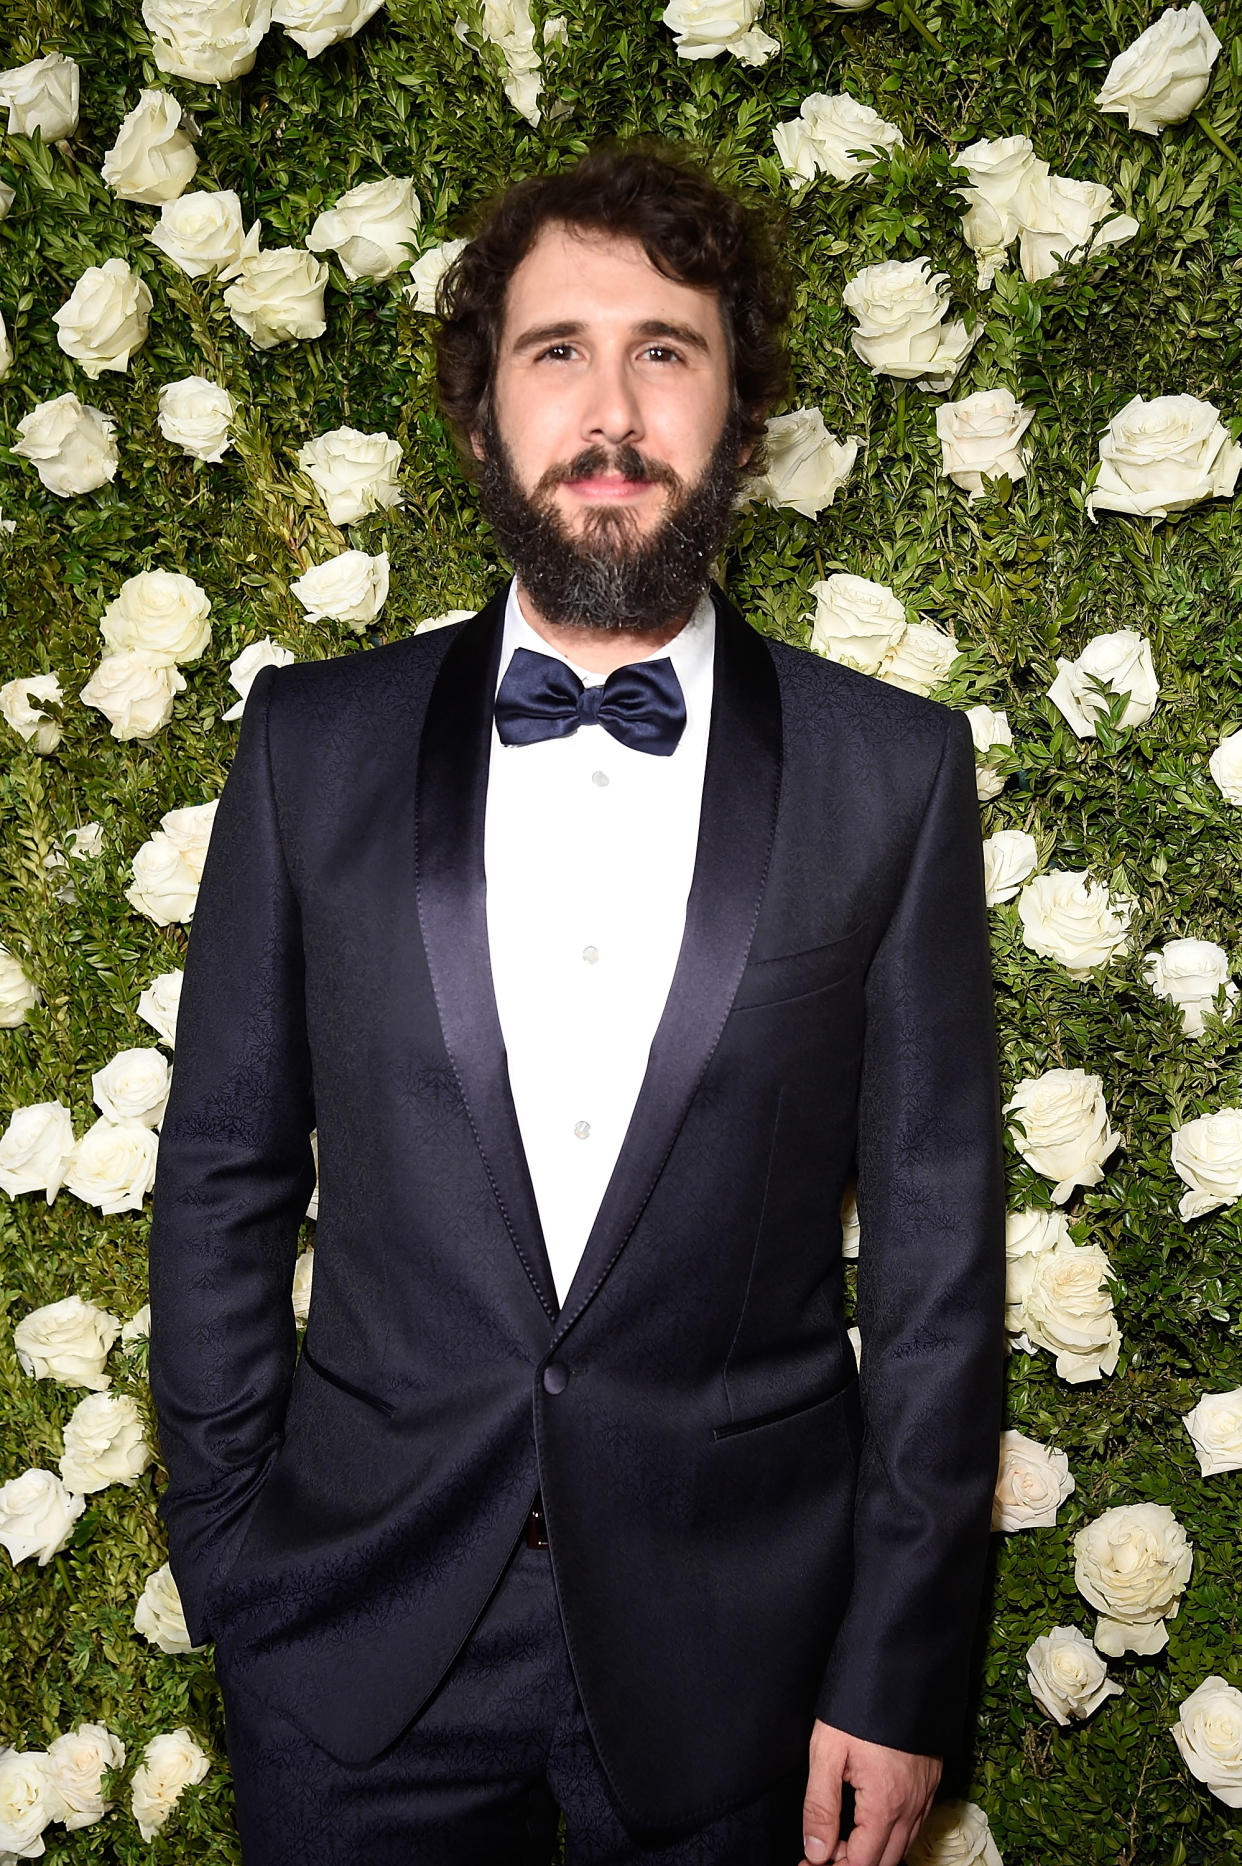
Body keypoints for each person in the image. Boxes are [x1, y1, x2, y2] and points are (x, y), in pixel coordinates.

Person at [147, 139, 1006, 1866]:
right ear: (481, 417)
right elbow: (224, 1168)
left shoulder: (887, 774)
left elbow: (932, 1251)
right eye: (556, 352)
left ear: (738, 420)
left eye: (663, 350)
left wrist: (898, 1669)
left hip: (742, 1657)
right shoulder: (307, 746)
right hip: (351, 1631)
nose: (608, 409)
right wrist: (232, 1548)